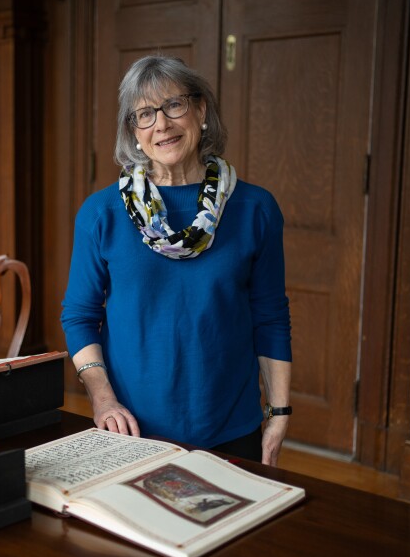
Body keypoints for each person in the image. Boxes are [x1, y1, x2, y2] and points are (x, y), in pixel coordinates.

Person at [60, 55, 292, 465]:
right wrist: (103, 399)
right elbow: (79, 316)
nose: (161, 125)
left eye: (174, 106)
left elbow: (270, 316)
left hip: (232, 426)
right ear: (134, 131)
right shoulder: (102, 214)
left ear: (201, 110)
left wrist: (278, 412)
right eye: (144, 114)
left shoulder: (255, 208)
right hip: (130, 428)